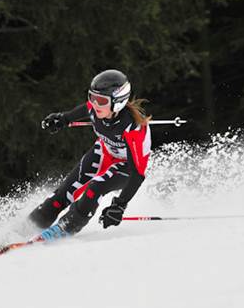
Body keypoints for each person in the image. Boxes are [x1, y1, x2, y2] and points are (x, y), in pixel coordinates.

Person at [29, 69, 152, 240]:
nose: (95, 104)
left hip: (128, 166)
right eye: (92, 97)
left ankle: (66, 227)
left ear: (117, 102)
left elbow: (137, 174)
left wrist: (119, 206)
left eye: (101, 100)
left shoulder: (131, 129)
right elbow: (84, 110)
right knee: (64, 192)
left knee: (95, 188)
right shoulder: (96, 109)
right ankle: (29, 226)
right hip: (104, 151)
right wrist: (62, 119)